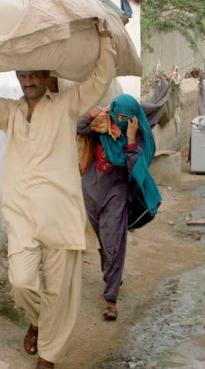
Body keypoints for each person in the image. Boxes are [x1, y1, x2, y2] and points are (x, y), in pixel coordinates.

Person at [0, 25, 116, 369]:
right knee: (21, 282)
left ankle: (48, 355)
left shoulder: (66, 105)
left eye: (33, 75)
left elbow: (99, 81)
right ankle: (38, 320)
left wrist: (104, 39)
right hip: (21, 214)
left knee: (59, 290)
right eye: (22, 76)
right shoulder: (10, 112)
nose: (28, 81)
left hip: (60, 213)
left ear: (46, 76)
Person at [77, 94, 161, 322]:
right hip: (91, 192)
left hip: (116, 194)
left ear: (134, 118)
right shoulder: (103, 125)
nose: (120, 120)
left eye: (126, 118)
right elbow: (78, 127)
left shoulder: (140, 137)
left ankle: (111, 299)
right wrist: (97, 113)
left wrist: (130, 139)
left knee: (113, 241)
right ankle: (112, 274)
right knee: (103, 242)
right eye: (118, 115)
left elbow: (136, 167)